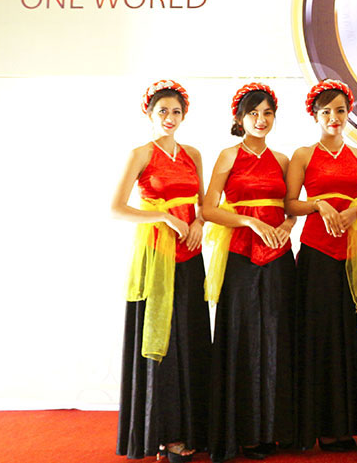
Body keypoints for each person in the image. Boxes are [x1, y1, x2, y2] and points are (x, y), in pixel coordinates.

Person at [114, 80, 210, 462]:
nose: (170, 118)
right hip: (156, 255)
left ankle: (192, 428)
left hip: (191, 253)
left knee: (191, 336)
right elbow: (116, 207)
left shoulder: (192, 154)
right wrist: (163, 216)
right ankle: (164, 434)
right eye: (163, 111)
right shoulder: (141, 154)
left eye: (176, 111)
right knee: (162, 342)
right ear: (150, 114)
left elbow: (203, 205)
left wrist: (199, 222)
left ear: (184, 115)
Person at [203, 83, 297, 462]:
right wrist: (249, 221)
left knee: (277, 336)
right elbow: (209, 209)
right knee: (241, 337)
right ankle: (244, 431)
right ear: (240, 118)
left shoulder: (283, 159)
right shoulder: (228, 156)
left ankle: (274, 429)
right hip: (241, 254)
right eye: (253, 113)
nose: (261, 120)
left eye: (267, 113)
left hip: (279, 254)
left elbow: (290, 206)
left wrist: (287, 225)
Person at [286, 79, 357, 452]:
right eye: (326, 111)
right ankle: (318, 425)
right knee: (318, 337)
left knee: (352, 335)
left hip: (353, 253)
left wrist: (354, 210)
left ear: (349, 112)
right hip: (316, 253)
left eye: (340, 110)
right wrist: (319, 204)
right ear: (315, 115)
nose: (334, 117)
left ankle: (347, 425)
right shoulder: (303, 155)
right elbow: (290, 203)